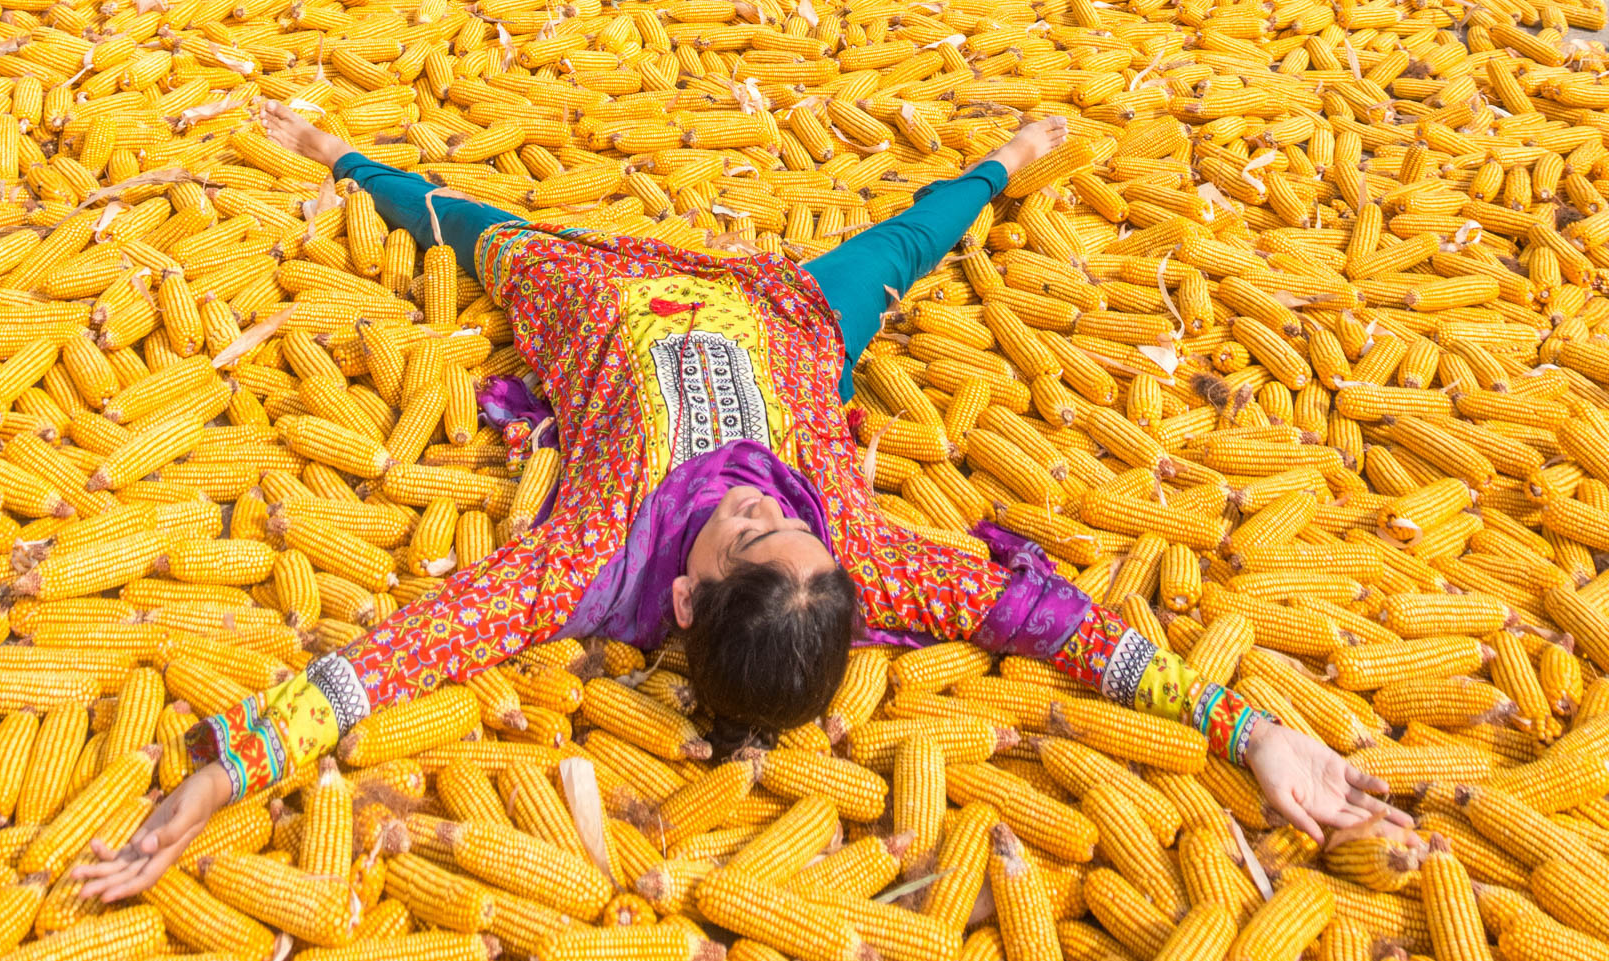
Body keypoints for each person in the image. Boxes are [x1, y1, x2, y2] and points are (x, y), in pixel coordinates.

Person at [76, 105, 1412, 902]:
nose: (778, 513)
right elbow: (1065, 627)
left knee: (472, 230)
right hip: (795, 323)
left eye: (755, 534)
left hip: (603, 309)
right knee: (915, 239)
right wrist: (1253, 729)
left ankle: (348, 162)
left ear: (685, 596)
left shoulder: (589, 562)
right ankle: (1004, 165)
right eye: (798, 533)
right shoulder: (860, 569)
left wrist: (223, 775)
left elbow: (396, 655)